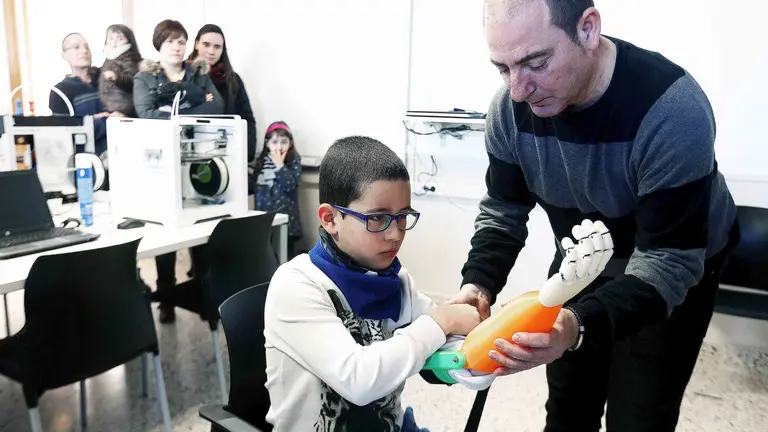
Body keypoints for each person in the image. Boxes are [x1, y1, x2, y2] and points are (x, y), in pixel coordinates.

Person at [448, 1, 740, 431]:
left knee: (639, 415)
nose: (518, 90)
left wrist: (577, 325)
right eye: (503, 68)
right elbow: (504, 211)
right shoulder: (508, 113)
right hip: (582, 258)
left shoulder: (671, 110)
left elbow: (667, 262)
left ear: (587, 30)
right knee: (569, 405)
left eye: (536, 62)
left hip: (677, 260)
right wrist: (478, 282)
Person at [263, 136, 483, 431]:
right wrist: (441, 320)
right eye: (377, 218)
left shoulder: (397, 281)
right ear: (331, 219)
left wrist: (479, 353)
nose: (395, 234)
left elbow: (443, 344)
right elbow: (359, 379)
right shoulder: (297, 285)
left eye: (402, 216)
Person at [134, 19, 225, 323]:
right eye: (171, 41)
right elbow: (145, 115)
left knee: (199, 227)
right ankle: (166, 295)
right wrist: (194, 110)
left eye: (182, 41)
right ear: (159, 45)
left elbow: (218, 107)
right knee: (167, 233)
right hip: (160, 165)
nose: (177, 46)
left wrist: (173, 113)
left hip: (198, 160)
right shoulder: (145, 77)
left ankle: (203, 289)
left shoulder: (198, 74)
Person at [188, 24, 257, 163]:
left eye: (217, 47)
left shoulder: (232, 80)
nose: (211, 51)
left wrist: (245, 152)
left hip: (227, 155)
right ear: (196, 44)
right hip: (188, 152)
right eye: (206, 44)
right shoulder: (183, 74)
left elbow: (247, 119)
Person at [49, 33, 114, 157]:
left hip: (121, 149)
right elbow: (63, 133)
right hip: (89, 159)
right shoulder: (60, 91)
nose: (84, 51)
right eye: (76, 47)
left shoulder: (106, 76)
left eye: (86, 47)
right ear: (65, 56)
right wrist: (99, 120)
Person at [252, 121, 302, 258]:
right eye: (274, 142)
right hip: (265, 220)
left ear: (290, 143)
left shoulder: (293, 160)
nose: (279, 147)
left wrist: (280, 165)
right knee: (267, 256)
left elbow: (290, 186)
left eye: (284, 142)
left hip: (287, 221)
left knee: (285, 256)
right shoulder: (261, 161)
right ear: (267, 143)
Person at [99, 24, 142, 118]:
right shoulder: (109, 58)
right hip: (111, 106)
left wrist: (117, 77)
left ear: (129, 42)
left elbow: (132, 78)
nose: (114, 42)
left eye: (120, 39)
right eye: (111, 38)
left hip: (124, 107)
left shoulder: (128, 58)